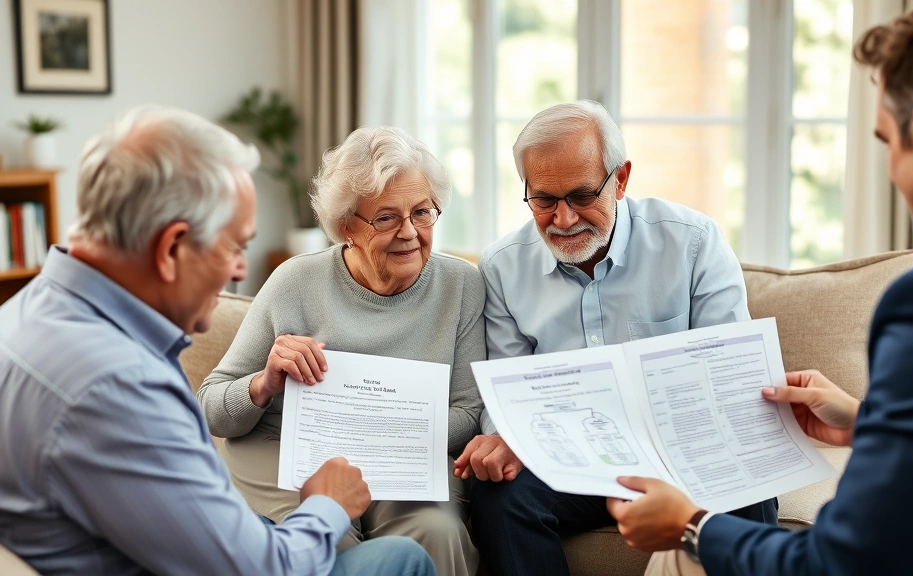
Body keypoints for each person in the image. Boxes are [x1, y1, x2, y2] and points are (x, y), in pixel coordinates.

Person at [608, 1, 913, 575]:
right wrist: (864, 417)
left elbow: (841, 564)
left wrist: (690, 524)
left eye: (885, 143)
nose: (889, 169)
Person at [0, 106, 435, 576]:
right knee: (404, 559)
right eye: (234, 247)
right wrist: (327, 506)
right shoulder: (117, 387)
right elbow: (261, 568)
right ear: (171, 249)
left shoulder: (23, 314)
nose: (240, 272)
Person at [455, 99, 778, 576]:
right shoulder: (503, 266)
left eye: (582, 196)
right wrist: (505, 435)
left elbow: (728, 386)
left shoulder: (693, 243)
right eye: (544, 199)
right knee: (496, 492)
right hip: (570, 459)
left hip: (682, 453)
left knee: (749, 482)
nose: (563, 220)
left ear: (621, 179)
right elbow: (507, 389)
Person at [196, 125, 485, 576]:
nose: (410, 232)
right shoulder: (294, 281)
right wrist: (263, 382)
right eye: (386, 217)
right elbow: (211, 407)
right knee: (330, 537)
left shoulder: (461, 285)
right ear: (347, 226)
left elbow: (468, 413)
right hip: (287, 450)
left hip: (404, 456)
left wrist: (377, 430)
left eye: (422, 212)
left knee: (437, 534)